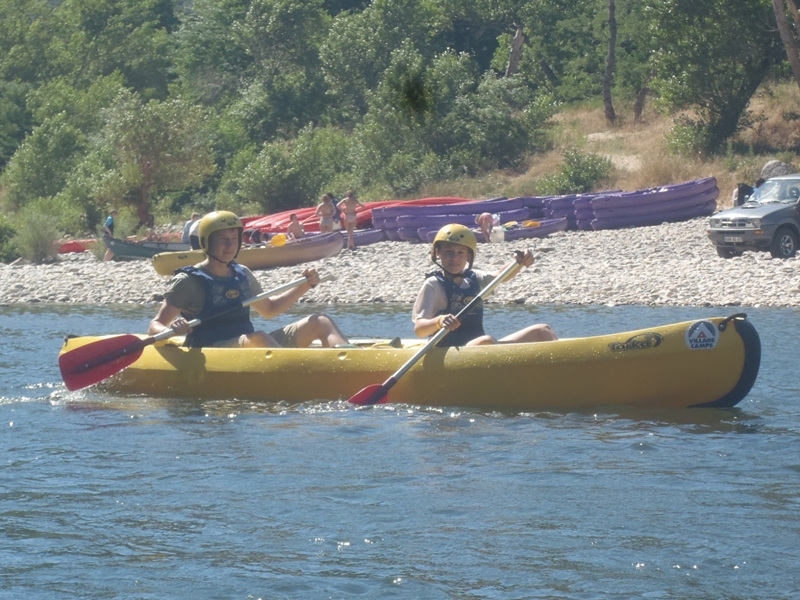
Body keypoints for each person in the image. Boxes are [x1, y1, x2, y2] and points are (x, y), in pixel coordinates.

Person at [148, 211, 350, 349]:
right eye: (222, 240)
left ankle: (349, 363)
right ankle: (298, 373)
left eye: (234, 239)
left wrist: (304, 285)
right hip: (213, 351)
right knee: (259, 338)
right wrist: (171, 329)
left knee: (321, 321)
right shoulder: (188, 281)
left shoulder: (242, 273)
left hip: (249, 346)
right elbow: (154, 327)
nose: (230, 246)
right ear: (206, 243)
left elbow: (270, 309)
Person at [412, 224, 558, 347]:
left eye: (460, 253)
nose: (454, 258)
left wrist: (519, 262)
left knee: (543, 330)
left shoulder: (474, 278)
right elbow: (419, 329)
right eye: (449, 252)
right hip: (448, 353)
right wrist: (439, 321)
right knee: (486, 341)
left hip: (479, 349)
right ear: (438, 253)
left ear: (469, 256)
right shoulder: (433, 285)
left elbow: (499, 276)